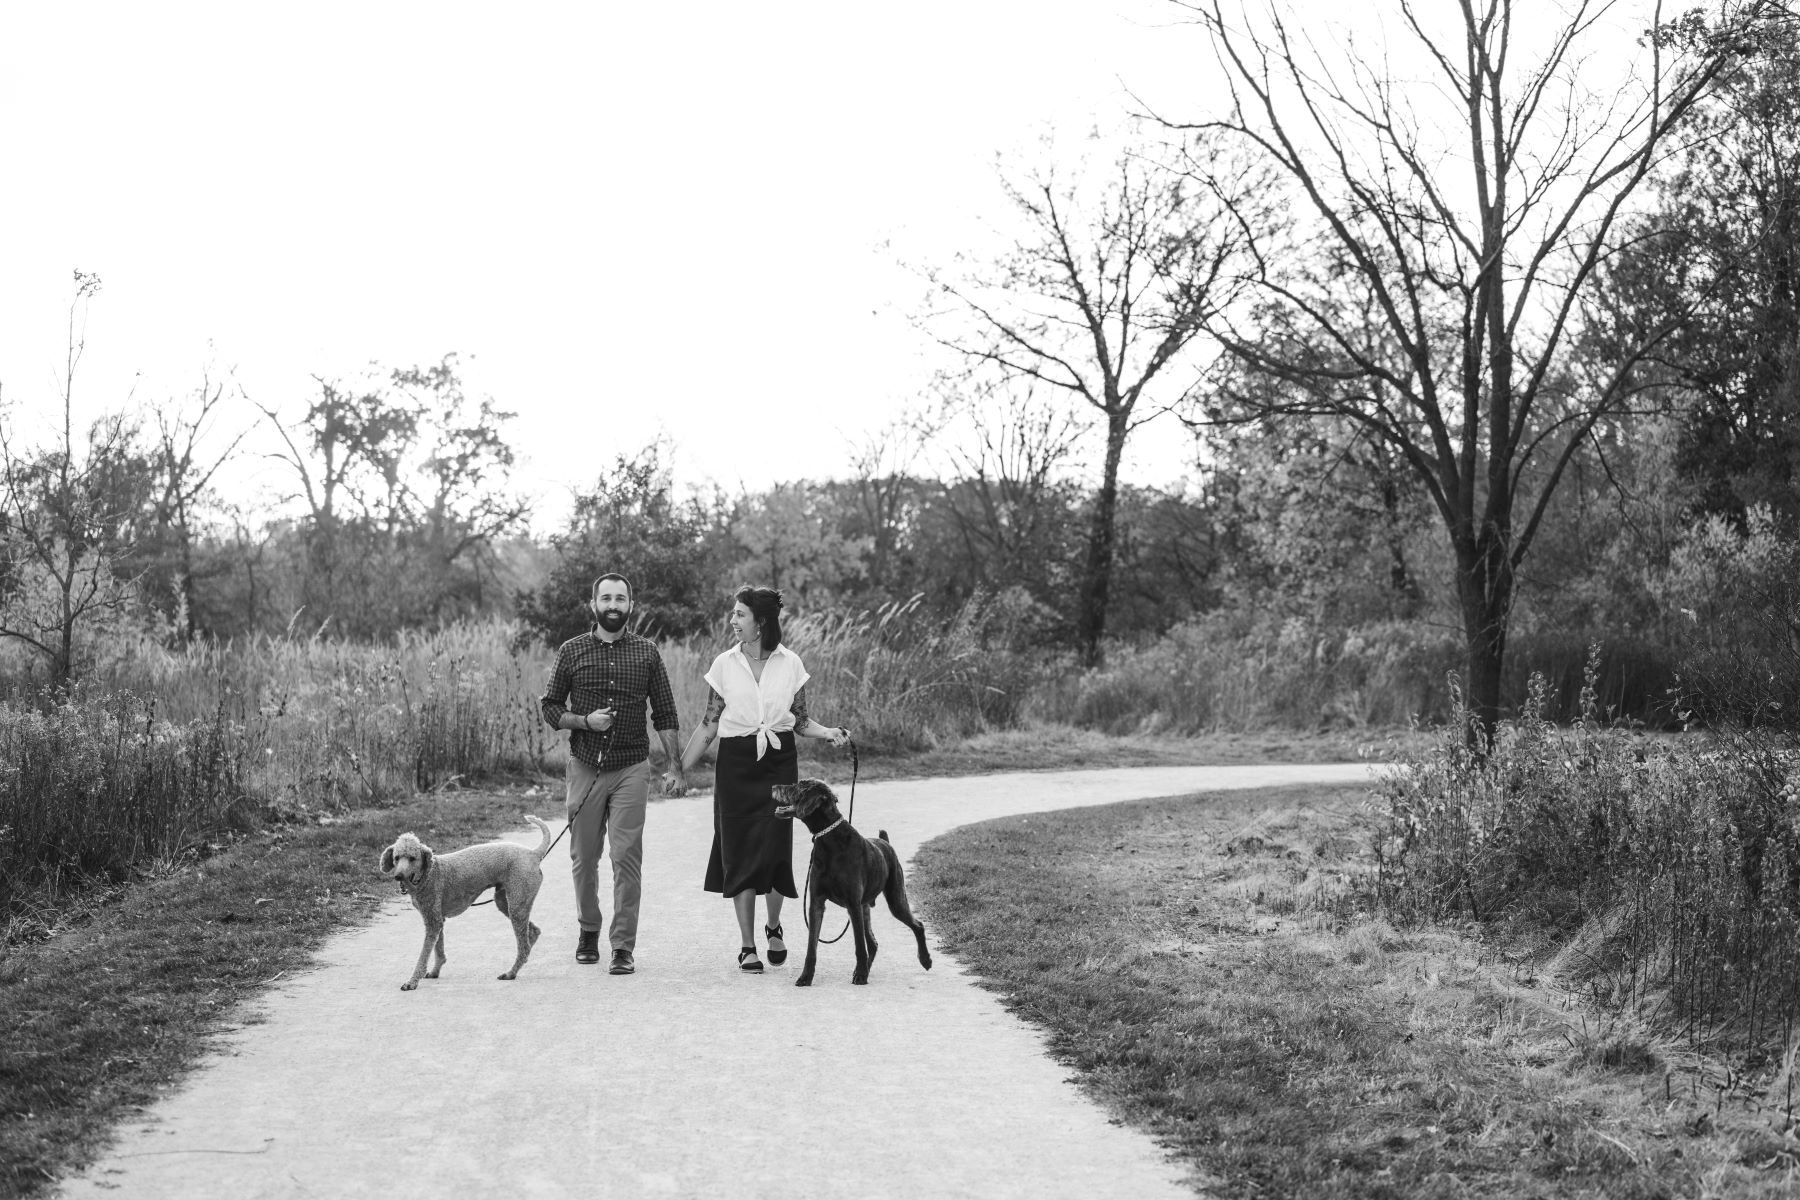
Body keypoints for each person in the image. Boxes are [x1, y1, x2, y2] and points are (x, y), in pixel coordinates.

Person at [681, 585, 851, 972]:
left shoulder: (791, 663)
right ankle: (747, 945)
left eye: (739, 614)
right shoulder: (724, 664)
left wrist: (829, 733)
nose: (732, 621)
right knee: (739, 848)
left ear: (761, 622)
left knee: (775, 849)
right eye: (734, 614)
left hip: (779, 760)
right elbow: (708, 726)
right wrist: (679, 768)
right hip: (736, 765)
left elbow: (801, 720)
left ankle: (774, 926)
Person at [540, 572, 685, 975]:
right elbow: (550, 707)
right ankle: (588, 930)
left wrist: (675, 764)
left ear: (631, 606)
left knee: (626, 857)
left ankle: (623, 945)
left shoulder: (647, 652)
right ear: (594, 605)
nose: (613, 605)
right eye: (606, 598)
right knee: (584, 857)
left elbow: (666, 713)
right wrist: (585, 721)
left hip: (632, 768)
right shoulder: (571, 651)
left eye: (621, 598)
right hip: (584, 766)